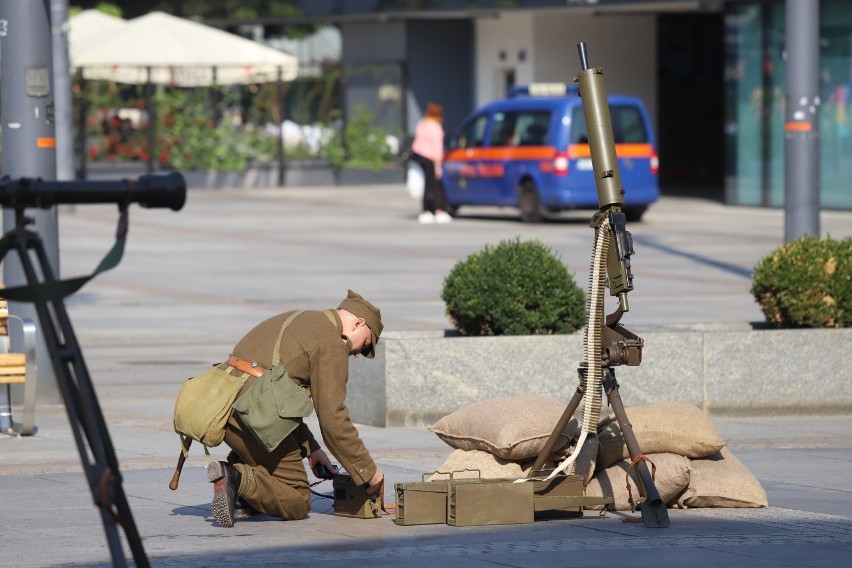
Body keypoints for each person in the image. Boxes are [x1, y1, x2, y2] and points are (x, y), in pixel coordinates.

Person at [206, 290, 385, 527]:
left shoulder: (302, 318)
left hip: (222, 409)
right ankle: (236, 478)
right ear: (359, 323)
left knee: (271, 468)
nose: (358, 354)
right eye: (365, 345)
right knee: (298, 498)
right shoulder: (331, 343)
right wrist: (368, 471)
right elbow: (333, 419)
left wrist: (311, 448)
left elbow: (278, 395)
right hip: (254, 420)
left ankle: (243, 497)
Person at [410, 102, 452, 224]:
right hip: (430, 158)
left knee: (426, 185)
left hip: (419, 156)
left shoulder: (421, 124)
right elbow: (437, 148)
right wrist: (438, 166)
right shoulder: (435, 127)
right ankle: (437, 210)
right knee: (434, 186)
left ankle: (426, 211)